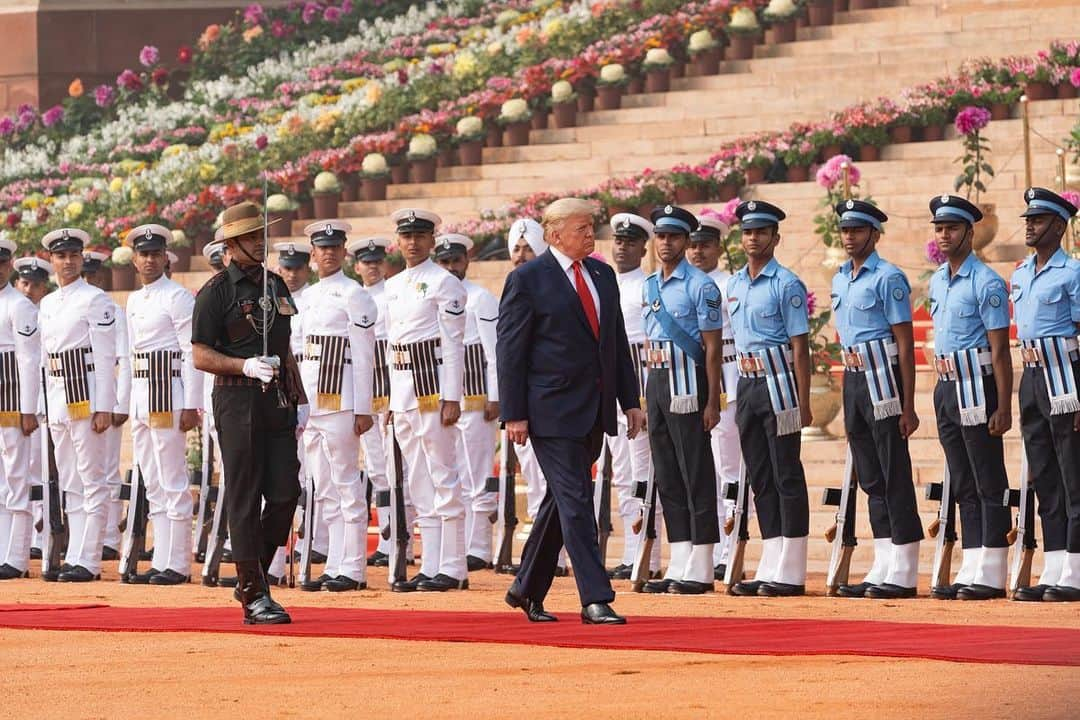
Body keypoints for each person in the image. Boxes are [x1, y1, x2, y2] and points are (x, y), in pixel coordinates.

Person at [498, 197, 645, 624]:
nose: (590, 236)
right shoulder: (528, 279)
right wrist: (515, 413)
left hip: (593, 408)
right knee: (577, 499)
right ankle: (594, 597)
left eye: (591, 227)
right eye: (581, 228)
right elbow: (510, 351)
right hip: (549, 410)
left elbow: (614, 344)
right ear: (554, 234)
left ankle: (526, 588)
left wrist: (629, 401)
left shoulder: (601, 274)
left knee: (562, 501)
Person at [191, 201, 304, 624]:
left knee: (285, 493)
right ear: (233, 243)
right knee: (243, 495)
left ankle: (250, 572)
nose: (261, 243)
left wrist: (301, 397)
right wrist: (242, 365)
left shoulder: (276, 286)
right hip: (237, 399)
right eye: (253, 237)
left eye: (262, 235)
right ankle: (255, 594)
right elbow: (200, 353)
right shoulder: (216, 291)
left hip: (276, 399)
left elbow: (284, 347)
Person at [829, 200, 923, 600]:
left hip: (884, 379)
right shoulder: (840, 279)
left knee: (892, 471)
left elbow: (905, 343)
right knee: (869, 475)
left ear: (874, 234)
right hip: (853, 378)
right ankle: (883, 559)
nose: (849, 237)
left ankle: (904, 564)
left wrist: (908, 403)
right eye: (845, 230)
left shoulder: (888, 277)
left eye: (857, 230)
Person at [926, 194, 1013, 601]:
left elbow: (999, 348)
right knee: (961, 478)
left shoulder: (987, 282)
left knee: (986, 475)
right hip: (947, 385)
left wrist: (1003, 404)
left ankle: (993, 568)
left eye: (953, 228)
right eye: (940, 229)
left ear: (969, 232)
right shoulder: (937, 280)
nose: (945, 235)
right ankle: (973, 562)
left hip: (979, 383)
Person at [637, 205, 725, 595]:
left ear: (687, 241)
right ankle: (681, 557)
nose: (666, 243)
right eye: (661, 236)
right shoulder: (648, 285)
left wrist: (712, 401)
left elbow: (712, 348)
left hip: (689, 382)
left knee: (695, 471)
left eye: (673, 237)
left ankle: (702, 563)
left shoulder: (701, 286)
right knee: (668, 473)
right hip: (657, 381)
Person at [726, 200, 811, 597]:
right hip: (746, 382)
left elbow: (800, 346)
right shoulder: (735, 283)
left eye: (761, 231)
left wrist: (804, 400)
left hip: (779, 381)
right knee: (760, 476)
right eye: (747, 231)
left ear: (776, 238)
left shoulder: (787, 284)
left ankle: (791, 568)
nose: (753, 238)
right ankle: (771, 559)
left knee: (785, 473)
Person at [383, 208, 469, 592]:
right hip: (402, 389)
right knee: (418, 480)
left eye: (420, 236)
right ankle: (430, 563)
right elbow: (389, 345)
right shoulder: (393, 284)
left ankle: (453, 566)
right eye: (407, 236)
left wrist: (452, 395)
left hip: (432, 385)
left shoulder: (444, 283)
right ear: (398, 241)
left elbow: (453, 345)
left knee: (443, 474)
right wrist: (387, 397)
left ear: (432, 241)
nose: (413, 243)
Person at [296, 221, 375, 592]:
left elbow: (363, 356)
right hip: (311, 403)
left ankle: (354, 567)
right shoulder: (306, 297)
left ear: (344, 253)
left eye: (334, 247)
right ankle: (333, 564)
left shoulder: (353, 294)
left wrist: (364, 408)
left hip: (341, 400)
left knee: (346, 484)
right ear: (312, 254)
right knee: (323, 487)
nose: (327, 252)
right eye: (321, 247)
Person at [1010, 187, 1080, 603]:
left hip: (1065, 377)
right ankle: (1055, 566)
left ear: (1059, 225)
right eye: (1028, 219)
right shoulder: (1020, 274)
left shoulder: (1072, 274)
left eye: (1038, 220)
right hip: (1032, 375)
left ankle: (1074, 567)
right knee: (1044, 472)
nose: (1030, 225)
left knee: (1073, 472)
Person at [123, 224, 202, 585]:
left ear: (166, 257)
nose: (150, 260)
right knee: (152, 480)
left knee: (172, 478)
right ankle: (161, 558)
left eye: (156, 254)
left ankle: (178, 563)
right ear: (135, 260)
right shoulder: (135, 299)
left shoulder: (178, 297)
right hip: (142, 396)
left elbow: (190, 352)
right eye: (144, 254)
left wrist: (191, 403)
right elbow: (128, 355)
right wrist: (124, 402)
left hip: (167, 393)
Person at [39, 228, 117, 582]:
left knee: (92, 478)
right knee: (70, 480)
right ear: (51, 260)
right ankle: (74, 554)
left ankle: (90, 559)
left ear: (82, 258)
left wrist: (104, 405)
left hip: (85, 393)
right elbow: (44, 359)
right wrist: (42, 404)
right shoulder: (48, 303)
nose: (67, 262)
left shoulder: (95, 298)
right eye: (61, 256)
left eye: (73, 255)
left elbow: (103, 357)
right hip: (58, 397)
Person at [433, 233, 501, 571]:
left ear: (466, 262)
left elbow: (493, 351)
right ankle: (457, 548)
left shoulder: (480, 298)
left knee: (478, 475)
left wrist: (496, 396)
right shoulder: (437, 295)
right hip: (444, 401)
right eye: (443, 262)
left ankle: (480, 547)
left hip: (475, 400)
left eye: (454, 261)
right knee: (452, 475)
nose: (449, 268)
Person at [505, 218, 566, 574]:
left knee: (551, 479)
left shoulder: (551, 289)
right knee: (532, 475)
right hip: (522, 400)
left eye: (529, 248)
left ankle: (552, 555)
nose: (522, 255)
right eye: (517, 249)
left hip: (547, 398)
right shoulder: (513, 287)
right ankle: (539, 553)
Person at [685, 214, 743, 579]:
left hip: (726, 379)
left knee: (729, 467)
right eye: (692, 245)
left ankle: (730, 546)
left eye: (704, 245)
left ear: (719, 248)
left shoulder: (729, 284)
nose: (697, 252)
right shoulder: (682, 283)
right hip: (689, 381)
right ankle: (703, 547)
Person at [349, 235, 411, 567]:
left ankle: (399, 539)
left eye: (376, 261)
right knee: (376, 467)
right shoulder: (353, 296)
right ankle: (388, 537)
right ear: (356, 266)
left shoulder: (392, 294)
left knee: (395, 466)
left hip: (389, 384)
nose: (372, 267)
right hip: (363, 386)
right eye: (366, 262)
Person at [604, 212, 660, 579]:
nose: (622, 247)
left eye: (630, 241)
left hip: (639, 379)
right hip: (610, 381)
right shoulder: (604, 282)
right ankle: (629, 551)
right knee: (622, 473)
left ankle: (647, 556)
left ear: (644, 247)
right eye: (618, 241)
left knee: (643, 469)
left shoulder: (648, 285)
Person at [81, 250, 130, 561]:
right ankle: (88, 533)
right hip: (78, 396)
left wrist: (120, 403)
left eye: (92, 274)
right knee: (82, 473)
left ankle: (110, 536)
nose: (87, 280)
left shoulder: (113, 310)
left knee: (108, 470)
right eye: (84, 274)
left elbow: (124, 359)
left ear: (100, 276)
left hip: (107, 396)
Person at [0, 239, 41, 580]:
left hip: (12, 400)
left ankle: (16, 557)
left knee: (16, 475)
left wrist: (28, 409)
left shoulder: (20, 305)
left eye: (2, 263)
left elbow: (28, 361)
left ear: (10, 265)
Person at [13, 257, 50, 561]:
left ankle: (40, 536)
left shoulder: (47, 315)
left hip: (40, 403)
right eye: (24, 283)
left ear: (43, 288)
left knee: (39, 471)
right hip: (17, 399)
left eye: (35, 284)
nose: (28, 289)